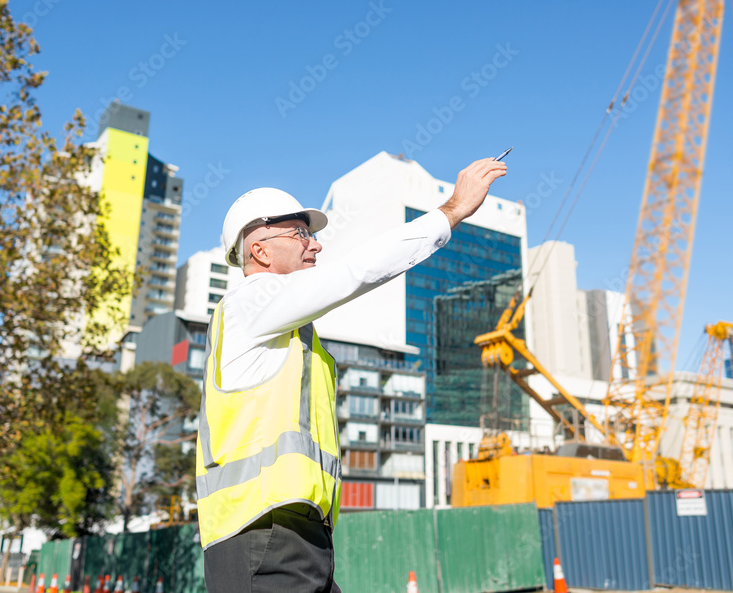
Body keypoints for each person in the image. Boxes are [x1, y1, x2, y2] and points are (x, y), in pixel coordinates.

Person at [197, 158, 507, 592]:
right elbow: (354, 272)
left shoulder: (288, 331)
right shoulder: (251, 300)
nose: (316, 245)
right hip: (261, 533)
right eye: (301, 233)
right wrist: (451, 210)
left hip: (295, 535)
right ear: (260, 250)